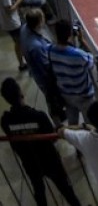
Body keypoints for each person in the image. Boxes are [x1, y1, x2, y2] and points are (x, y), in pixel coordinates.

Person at [1, 78, 82, 206]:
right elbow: (53, 137)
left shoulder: (6, 120)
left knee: (39, 191)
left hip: (29, 162)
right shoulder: (38, 116)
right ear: (21, 93)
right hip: (49, 160)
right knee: (66, 190)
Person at [49, 20, 96, 125]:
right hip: (84, 95)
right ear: (70, 34)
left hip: (66, 94)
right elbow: (92, 61)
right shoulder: (79, 55)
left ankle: (74, 137)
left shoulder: (50, 50)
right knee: (90, 123)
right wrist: (82, 40)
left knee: (72, 123)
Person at [0, 0, 26, 70]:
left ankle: (22, 63)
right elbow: (9, 10)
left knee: (18, 42)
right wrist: (20, 0)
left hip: (7, 22)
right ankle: (22, 63)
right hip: (12, 22)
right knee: (19, 43)